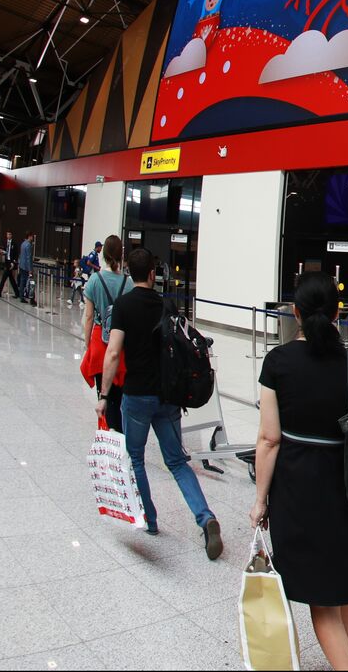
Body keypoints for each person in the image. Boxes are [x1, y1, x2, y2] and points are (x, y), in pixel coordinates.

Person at [249, 271, 348, 672]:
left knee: (321, 600)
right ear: (337, 313)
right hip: (344, 485)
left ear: (295, 312)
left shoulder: (277, 362)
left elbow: (269, 439)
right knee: (341, 587)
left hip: (297, 488)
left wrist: (260, 500)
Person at [94, 247, 222, 556]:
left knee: (136, 459)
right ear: (153, 274)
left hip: (136, 396)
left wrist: (104, 395)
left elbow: (113, 352)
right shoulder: (167, 305)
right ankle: (206, 518)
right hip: (168, 396)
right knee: (177, 462)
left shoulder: (123, 306)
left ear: (130, 273)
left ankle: (150, 520)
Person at [81, 235, 129, 432]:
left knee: (103, 393)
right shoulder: (128, 283)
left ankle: (107, 435)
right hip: (121, 343)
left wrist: (87, 343)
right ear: (121, 255)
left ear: (104, 255)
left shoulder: (94, 280)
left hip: (100, 342)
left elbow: (89, 316)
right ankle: (119, 435)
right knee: (119, 396)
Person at [0, 230, 19, 299]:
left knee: (4, 278)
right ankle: (17, 293)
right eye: (7, 234)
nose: (8, 236)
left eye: (10, 234)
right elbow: (6, 251)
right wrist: (2, 252)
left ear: (11, 235)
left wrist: (13, 262)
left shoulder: (14, 244)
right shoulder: (5, 242)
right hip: (7, 262)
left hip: (11, 263)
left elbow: (16, 254)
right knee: (11, 279)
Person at [17, 231, 35, 305]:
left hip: (22, 265)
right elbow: (29, 258)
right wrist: (30, 269)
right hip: (26, 267)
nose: (32, 238)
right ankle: (31, 298)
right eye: (32, 236)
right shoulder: (28, 245)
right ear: (29, 236)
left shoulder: (23, 243)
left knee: (22, 281)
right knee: (31, 282)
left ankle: (21, 296)